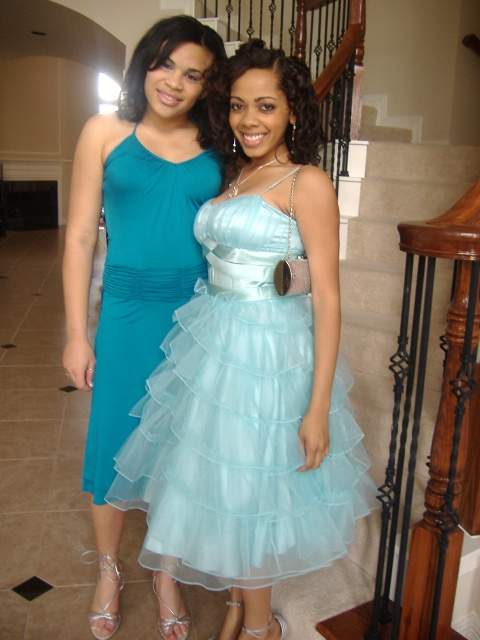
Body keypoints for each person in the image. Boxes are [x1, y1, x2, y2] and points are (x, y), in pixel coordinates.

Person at [106, 39, 378, 640]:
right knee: (225, 486)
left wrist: (317, 407)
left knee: (253, 492)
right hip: (215, 339)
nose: (248, 120)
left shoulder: (306, 183)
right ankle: (241, 607)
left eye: (266, 106)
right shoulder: (237, 173)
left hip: (268, 353)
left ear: (293, 113)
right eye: (237, 105)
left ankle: (260, 628)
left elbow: (328, 297)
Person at [62, 15, 226, 640]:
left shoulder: (217, 146)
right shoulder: (104, 131)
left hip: (196, 316)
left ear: (207, 87)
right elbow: (80, 237)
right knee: (113, 442)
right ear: (144, 64)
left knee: (179, 452)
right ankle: (110, 570)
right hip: (126, 314)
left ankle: (165, 573)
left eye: (194, 75)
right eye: (166, 64)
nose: (174, 83)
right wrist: (76, 334)